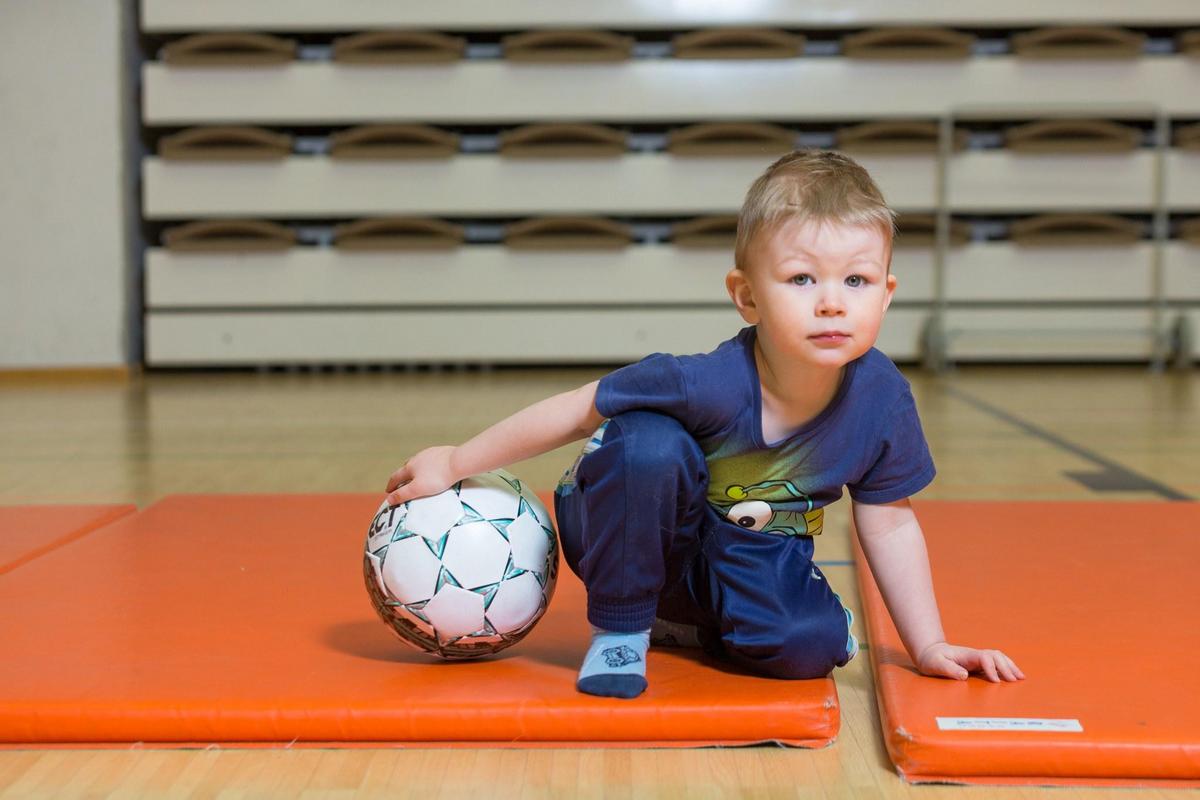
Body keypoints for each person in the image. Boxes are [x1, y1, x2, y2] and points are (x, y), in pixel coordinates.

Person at [384, 150, 1024, 699]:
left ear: (885, 293)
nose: (832, 299)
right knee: (650, 444)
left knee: (809, 650)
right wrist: (457, 459)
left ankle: (695, 625)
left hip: (750, 552)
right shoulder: (704, 380)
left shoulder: (881, 398)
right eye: (802, 278)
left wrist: (929, 642)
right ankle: (623, 632)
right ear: (746, 295)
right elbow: (579, 407)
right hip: (635, 526)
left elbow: (889, 521)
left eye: (855, 280)